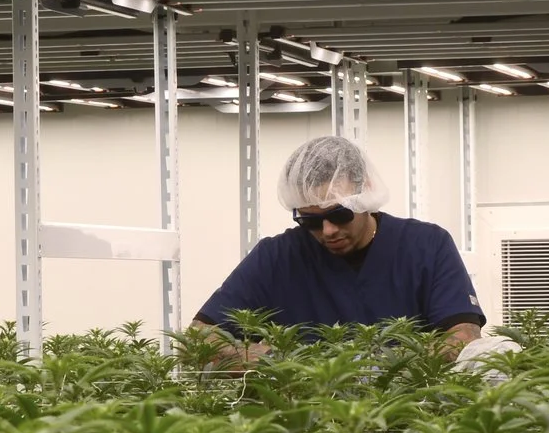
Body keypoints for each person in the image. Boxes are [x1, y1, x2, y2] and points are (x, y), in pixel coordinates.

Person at [189, 136, 486, 366]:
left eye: (340, 215)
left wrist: (383, 366)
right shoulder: (277, 258)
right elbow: (197, 339)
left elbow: (463, 337)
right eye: (311, 221)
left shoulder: (426, 245)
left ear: (366, 192)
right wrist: (281, 363)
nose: (328, 230)